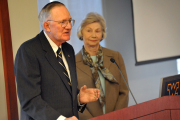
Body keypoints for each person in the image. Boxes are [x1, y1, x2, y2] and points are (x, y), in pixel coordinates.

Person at [14, 2, 100, 120]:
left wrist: (78, 98)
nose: (69, 26)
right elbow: (30, 100)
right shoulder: (29, 51)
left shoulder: (68, 49)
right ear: (47, 26)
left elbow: (61, 88)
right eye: (63, 22)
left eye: (70, 21)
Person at [76, 12, 129, 120]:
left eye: (97, 31)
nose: (93, 35)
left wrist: (116, 116)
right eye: (89, 30)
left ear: (102, 34)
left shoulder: (115, 57)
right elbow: (73, 99)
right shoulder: (72, 63)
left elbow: (124, 91)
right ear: (82, 33)